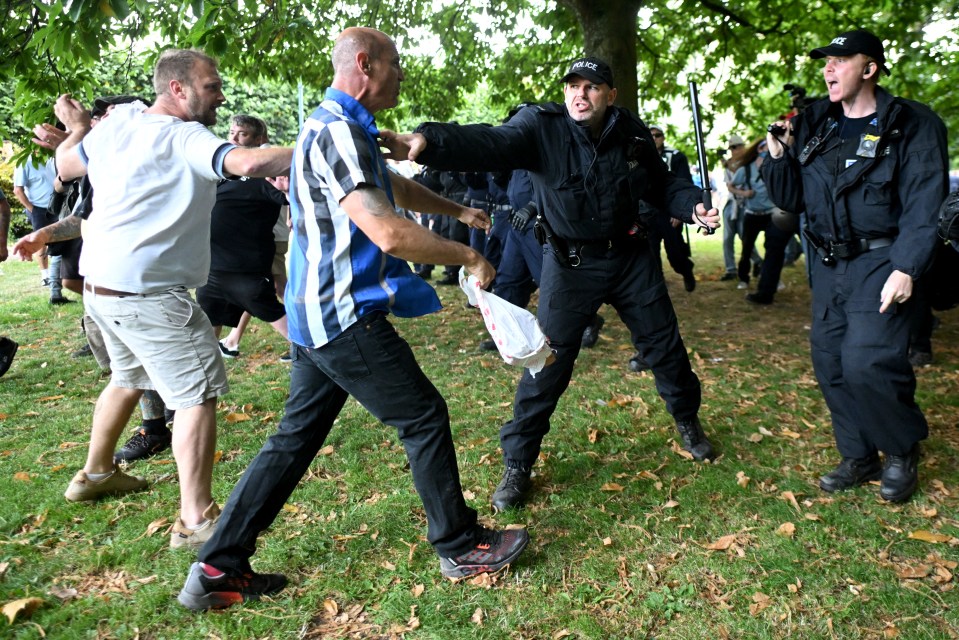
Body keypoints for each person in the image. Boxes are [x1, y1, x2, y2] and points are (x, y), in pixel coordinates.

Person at [177, 27, 529, 612]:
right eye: (395, 64)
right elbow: (387, 230)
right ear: (365, 64)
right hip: (342, 316)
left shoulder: (336, 126)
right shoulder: (339, 129)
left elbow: (383, 187)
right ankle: (460, 544)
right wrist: (468, 253)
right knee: (423, 416)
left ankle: (217, 566)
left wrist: (458, 209)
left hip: (313, 314)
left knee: (293, 439)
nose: (402, 75)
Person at [384, 55, 720, 512]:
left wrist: (692, 204)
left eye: (592, 87)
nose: (580, 95)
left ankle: (687, 420)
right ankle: (518, 461)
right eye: (573, 86)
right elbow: (490, 142)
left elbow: (662, 186)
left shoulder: (630, 132)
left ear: (610, 95)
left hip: (630, 259)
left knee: (665, 348)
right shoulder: (540, 126)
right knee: (546, 365)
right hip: (570, 263)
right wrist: (429, 140)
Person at [47, 49, 293, 550]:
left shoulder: (120, 123)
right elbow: (245, 162)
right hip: (148, 295)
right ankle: (197, 516)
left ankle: (95, 474)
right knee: (195, 395)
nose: (220, 95)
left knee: (128, 377)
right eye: (211, 85)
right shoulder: (185, 134)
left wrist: (76, 127)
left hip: (103, 289)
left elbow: (66, 164)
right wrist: (327, 139)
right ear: (177, 89)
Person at [764, 29, 948, 503]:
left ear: (869, 69)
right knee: (830, 362)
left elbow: (925, 205)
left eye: (840, 60)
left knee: (868, 361)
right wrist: (781, 154)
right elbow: (787, 201)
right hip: (829, 264)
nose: (828, 68)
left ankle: (901, 450)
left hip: (883, 260)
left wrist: (907, 267)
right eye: (825, 60)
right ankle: (858, 455)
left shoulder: (912, 124)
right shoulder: (814, 123)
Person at [195, 114, 290, 360]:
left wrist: (292, 204)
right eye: (231, 133)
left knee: (287, 326)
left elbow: (293, 197)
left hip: (246, 273)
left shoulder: (265, 174)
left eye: (243, 134)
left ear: (259, 140)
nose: (234, 139)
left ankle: (315, 354)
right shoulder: (220, 171)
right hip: (211, 271)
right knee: (205, 342)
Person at [729, 138, 792, 304]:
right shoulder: (746, 170)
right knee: (747, 247)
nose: (768, 148)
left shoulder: (777, 165)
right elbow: (731, 185)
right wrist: (744, 194)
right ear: (758, 149)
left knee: (772, 248)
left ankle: (770, 280)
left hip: (771, 214)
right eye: (764, 146)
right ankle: (744, 278)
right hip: (752, 214)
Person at [643, 124, 697, 293]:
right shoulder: (638, 156)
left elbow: (683, 183)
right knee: (651, 253)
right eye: (650, 135)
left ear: (663, 137)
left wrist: (679, 212)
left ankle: (686, 271)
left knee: (675, 253)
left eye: (657, 135)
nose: (654, 138)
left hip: (670, 213)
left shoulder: (676, 156)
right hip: (648, 214)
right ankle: (659, 286)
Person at [13, 155, 69, 303]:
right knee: (40, 242)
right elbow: (17, 190)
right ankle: (45, 276)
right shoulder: (25, 162)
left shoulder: (53, 158)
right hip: (38, 208)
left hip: (57, 206)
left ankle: (55, 286)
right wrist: (32, 210)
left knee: (58, 241)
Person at [720, 135, 762, 281]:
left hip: (746, 205)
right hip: (732, 203)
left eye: (736, 147)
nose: (734, 150)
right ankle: (730, 269)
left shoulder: (749, 162)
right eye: (731, 148)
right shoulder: (728, 164)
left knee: (746, 238)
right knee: (727, 238)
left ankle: (758, 262)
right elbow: (729, 184)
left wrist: (726, 163)